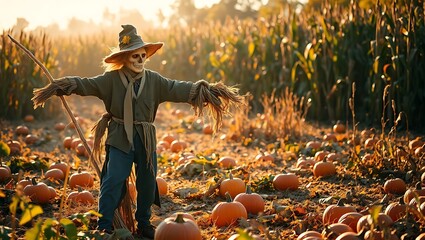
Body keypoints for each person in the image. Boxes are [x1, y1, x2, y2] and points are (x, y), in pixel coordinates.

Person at [32, 24, 245, 239]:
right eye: (135, 56)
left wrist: (204, 91)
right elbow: (86, 84)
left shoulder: (154, 80)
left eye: (143, 55)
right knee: (113, 179)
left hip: (145, 138)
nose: (141, 59)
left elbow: (176, 88)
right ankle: (104, 224)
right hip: (119, 136)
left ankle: (143, 223)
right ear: (125, 57)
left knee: (148, 181)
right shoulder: (110, 80)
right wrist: (64, 85)